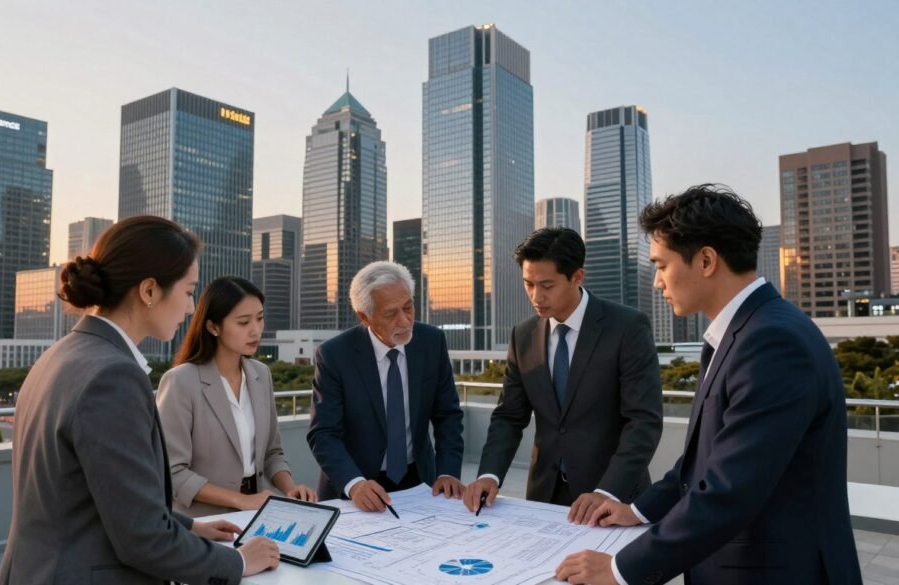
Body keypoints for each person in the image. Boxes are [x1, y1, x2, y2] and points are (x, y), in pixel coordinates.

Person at [557, 184, 862, 584]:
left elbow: (728, 490)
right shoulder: (744, 331)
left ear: (705, 260)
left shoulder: (771, 342)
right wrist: (639, 511)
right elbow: (704, 459)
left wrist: (619, 569)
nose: (656, 283)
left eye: (661, 266)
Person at [0, 216, 279, 585]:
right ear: (149, 291)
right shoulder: (112, 376)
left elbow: (101, 500)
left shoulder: (63, 354)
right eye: (189, 291)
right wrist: (239, 562)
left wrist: (190, 525)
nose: (192, 308)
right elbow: (142, 538)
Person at [464, 227, 663, 523]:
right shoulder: (523, 335)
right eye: (528, 284)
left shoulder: (627, 327)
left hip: (612, 499)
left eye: (547, 285)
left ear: (577, 277)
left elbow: (644, 421)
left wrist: (607, 491)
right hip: (545, 496)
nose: (536, 296)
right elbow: (509, 415)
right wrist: (489, 474)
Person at [307, 261, 465, 512]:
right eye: (391, 314)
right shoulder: (335, 355)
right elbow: (323, 433)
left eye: (408, 307)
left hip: (420, 483)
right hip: (356, 488)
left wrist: (448, 472)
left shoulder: (432, 342)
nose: (405, 321)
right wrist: (355, 484)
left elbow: (448, 416)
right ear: (364, 316)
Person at [157, 276, 318, 517]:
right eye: (243, 322)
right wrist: (242, 500)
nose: (256, 330)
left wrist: (291, 489)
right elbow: (173, 471)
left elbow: (272, 453)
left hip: (259, 512)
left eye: (260, 318)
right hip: (203, 521)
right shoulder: (180, 381)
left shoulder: (261, 374)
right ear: (213, 327)